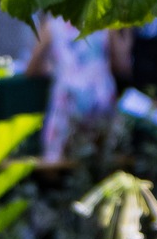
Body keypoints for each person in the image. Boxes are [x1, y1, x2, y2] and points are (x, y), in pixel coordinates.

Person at [25, 16, 117, 163]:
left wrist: (54, 68)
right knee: (101, 159)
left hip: (68, 100)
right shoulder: (106, 22)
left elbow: (31, 69)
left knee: (55, 158)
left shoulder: (53, 25)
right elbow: (121, 64)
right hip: (101, 96)